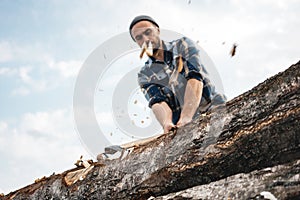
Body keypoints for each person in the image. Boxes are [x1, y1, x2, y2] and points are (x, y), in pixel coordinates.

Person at [129, 15, 226, 134]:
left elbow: (194, 78)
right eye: (139, 37)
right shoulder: (144, 74)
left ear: (157, 30)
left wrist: (186, 116)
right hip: (181, 129)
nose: (145, 39)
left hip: (212, 110)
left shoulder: (182, 45)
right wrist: (167, 122)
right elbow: (158, 101)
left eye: (148, 32)